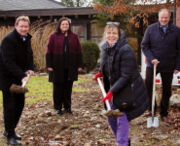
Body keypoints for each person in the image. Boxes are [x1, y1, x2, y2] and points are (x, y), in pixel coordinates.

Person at [94, 22, 149, 146]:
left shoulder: (126, 50)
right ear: (105, 34)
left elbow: (126, 76)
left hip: (129, 89)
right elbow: (106, 64)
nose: (111, 35)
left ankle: (122, 143)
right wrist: (100, 72)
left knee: (122, 116)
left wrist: (111, 92)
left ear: (119, 35)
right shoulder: (105, 48)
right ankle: (125, 142)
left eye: (114, 33)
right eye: (109, 33)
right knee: (111, 117)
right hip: (115, 88)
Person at [141, 8, 180, 123]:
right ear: (158, 18)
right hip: (153, 64)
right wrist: (152, 58)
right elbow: (144, 46)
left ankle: (164, 113)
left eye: (166, 17)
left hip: (169, 64)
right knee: (148, 85)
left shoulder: (176, 31)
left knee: (167, 90)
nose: (164, 19)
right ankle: (150, 108)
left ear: (169, 18)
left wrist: (178, 66)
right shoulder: (150, 29)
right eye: (162, 17)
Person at [0, 16, 34, 145]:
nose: (24, 29)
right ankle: (10, 136)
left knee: (19, 104)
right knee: (10, 106)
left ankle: (10, 130)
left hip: (20, 79)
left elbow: (29, 55)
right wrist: (22, 74)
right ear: (16, 26)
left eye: (26, 26)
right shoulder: (8, 40)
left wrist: (30, 68)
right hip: (7, 79)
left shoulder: (27, 38)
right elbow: (8, 61)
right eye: (22, 26)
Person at [46, 17, 83, 115]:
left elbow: (79, 51)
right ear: (59, 25)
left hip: (70, 66)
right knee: (58, 88)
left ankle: (67, 107)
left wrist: (79, 65)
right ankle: (57, 108)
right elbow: (49, 50)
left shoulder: (74, 36)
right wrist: (49, 65)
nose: (65, 26)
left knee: (68, 88)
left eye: (67, 24)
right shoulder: (53, 36)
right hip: (57, 66)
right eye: (63, 24)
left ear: (69, 25)